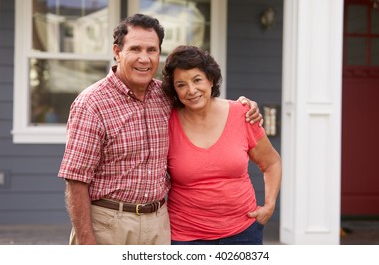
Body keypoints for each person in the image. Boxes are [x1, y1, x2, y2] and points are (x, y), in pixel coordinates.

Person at [57, 14, 262, 245]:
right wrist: (86, 242)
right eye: (135, 49)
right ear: (117, 51)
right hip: (109, 223)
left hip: (159, 222)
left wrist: (242, 105)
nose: (144, 59)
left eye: (152, 50)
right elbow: (76, 180)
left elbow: (199, 98)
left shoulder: (165, 95)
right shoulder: (92, 103)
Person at [162, 45, 282, 245]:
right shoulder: (166, 122)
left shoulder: (242, 114)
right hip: (186, 237)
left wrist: (269, 205)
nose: (191, 90)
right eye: (181, 84)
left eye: (197, 80)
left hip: (244, 233)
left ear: (210, 79)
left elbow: (271, 163)